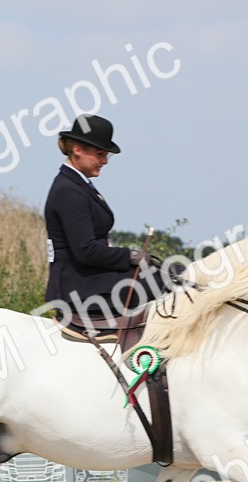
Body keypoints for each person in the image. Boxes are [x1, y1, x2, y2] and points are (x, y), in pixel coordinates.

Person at [43, 114, 164, 326]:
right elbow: (86, 251)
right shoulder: (68, 191)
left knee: (171, 273)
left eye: (107, 155)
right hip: (79, 287)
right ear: (78, 149)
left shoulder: (79, 184)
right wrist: (130, 255)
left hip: (89, 277)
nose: (105, 161)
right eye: (100, 154)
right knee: (164, 283)